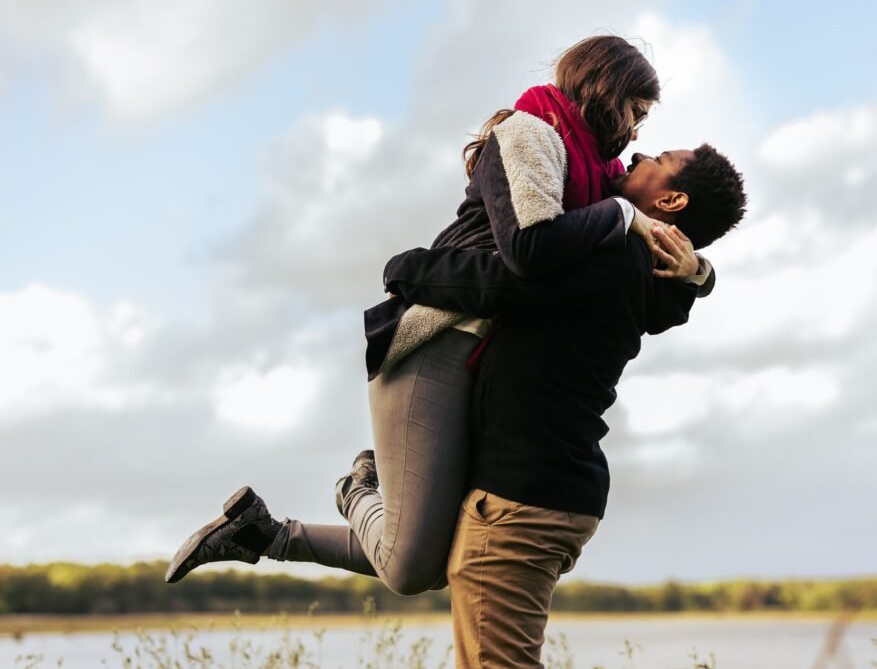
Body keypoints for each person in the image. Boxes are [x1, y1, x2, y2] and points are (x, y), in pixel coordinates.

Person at [164, 36, 695, 594]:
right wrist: (619, 213)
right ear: (606, 92)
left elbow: (647, 248)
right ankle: (354, 492)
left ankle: (258, 534)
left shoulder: (599, 169)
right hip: (435, 342)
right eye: (635, 112)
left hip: (482, 357)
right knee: (412, 567)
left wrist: (695, 273)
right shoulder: (530, 134)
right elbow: (532, 251)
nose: (637, 135)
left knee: (443, 550)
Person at [384, 145, 747, 667]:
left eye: (660, 158)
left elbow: (499, 285)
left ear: (671, 199)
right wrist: (698, 273)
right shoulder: (649, 270)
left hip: (520, 501)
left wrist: (405, 269)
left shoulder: (615, 255)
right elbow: (677, 299)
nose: (640, 152)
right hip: (548, 492)